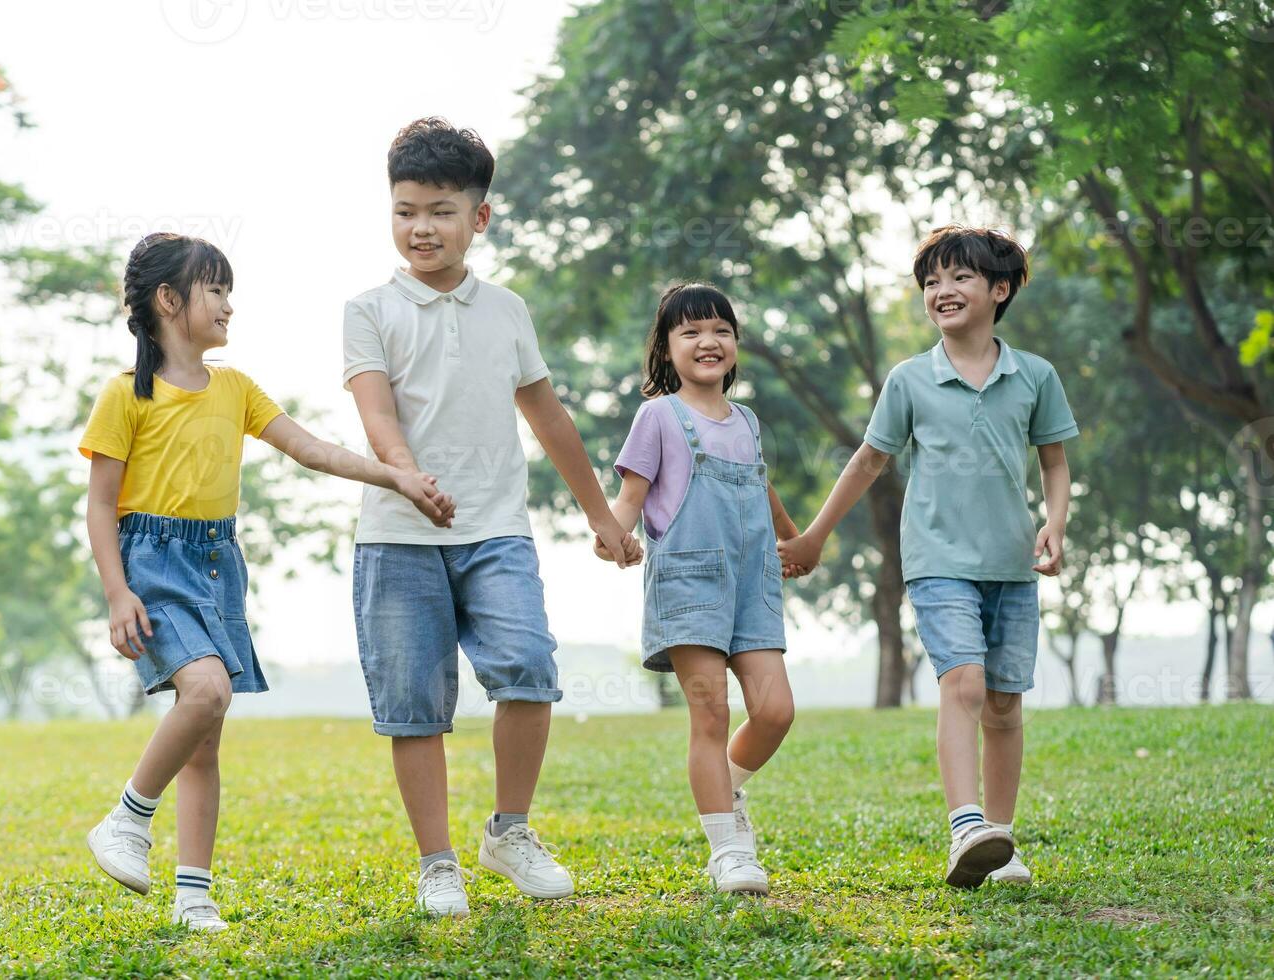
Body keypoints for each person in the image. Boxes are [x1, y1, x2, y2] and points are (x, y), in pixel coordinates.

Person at [81, 232, 453, 931]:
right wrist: (117, 592)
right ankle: (127, 819)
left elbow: (310, 449)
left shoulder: (236, 387)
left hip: (218, 563)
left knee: (207, 731)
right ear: (169, 300)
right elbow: (102, 503)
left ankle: (195, 894)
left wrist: (395, 476)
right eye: (215, 290)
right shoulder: (123, 396)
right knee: (208, 690)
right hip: (153, 560)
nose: (228, 305)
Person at [342, 118, 641, 917]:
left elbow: (549, 418)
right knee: (415, 704)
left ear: (479, 216)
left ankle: (510, 831)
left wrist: (603, 515)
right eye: (405, 210)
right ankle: (437, 863)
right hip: (398, 536)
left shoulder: (507, 310)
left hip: (498, 530)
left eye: (440, 210)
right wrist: (408, 479)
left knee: (529, 670)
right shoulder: (368, 309)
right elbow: (377, 416)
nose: (420, 228)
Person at [782, 225, 1077, 888]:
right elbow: (867, 461)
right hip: (938, 560)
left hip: (1012, 565)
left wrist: (1056, 524)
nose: (942, 291)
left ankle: (998, 840)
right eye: (931, 282)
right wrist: (814, 534)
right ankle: (966, 824)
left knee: (1004, 703)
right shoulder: (911, 379)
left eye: (959, 278)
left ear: (999, 290)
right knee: (964, 684)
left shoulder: (1035, 376)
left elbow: (1054, 462)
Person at [600, 281, 801, 895]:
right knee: (710, 712)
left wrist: (793, 538)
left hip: (752, 585)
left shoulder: (748, 420)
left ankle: (726, 786)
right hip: (688, 584)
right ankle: (727, 851)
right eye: (689, 332)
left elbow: (761, 489)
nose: (706, 341)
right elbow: (631, 495)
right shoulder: (658, 416)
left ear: (736, 345)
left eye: (719, 330)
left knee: (774, 711)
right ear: (666, 349)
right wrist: (613, 534)